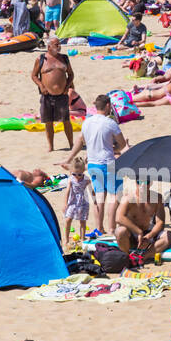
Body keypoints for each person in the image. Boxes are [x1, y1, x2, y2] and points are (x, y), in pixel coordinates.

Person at [64, 94, 126, 236]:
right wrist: (114, 148)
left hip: (92, 164)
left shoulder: (87, 122)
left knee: (99, 197)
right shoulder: (110, 123)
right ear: (108, 106)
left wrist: (69, 158)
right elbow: (122, 144)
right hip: (109, 162)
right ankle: (111, 228)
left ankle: (99, 227)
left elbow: (80, 141)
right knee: (113, 196)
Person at [31, 34, 75, 152]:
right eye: (56, 45)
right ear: (49, 46)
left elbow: (71, 74)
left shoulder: (64, 58)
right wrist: (41, 85)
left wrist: (67, 86)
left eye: (59, 44)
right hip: (47, 95)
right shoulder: (41, 59)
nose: (59, 46)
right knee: (48, 121)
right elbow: (34, 75)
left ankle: (71, 144)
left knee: (66, 120)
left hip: (62, 95)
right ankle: (51, 146)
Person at [61, 155, 93, 243]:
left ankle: (82, 238)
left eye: (79, 174)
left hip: (83, 202)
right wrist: (65, 203)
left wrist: (95, 199)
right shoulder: (71, 179)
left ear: (83, 171)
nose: (77, 176)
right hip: (72, 201)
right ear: (71, 172)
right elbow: (67, 191)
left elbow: (91, 189)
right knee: (68, 220)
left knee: (82, 221)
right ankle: (66, 239)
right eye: (74, 174)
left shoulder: (86, 179)